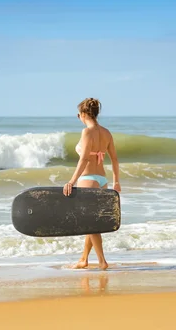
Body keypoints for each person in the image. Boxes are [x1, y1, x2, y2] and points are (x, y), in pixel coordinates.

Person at [63, 98, 121, 270]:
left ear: (83, 114)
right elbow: (115, 160)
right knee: (92, 222)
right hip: (102, 180)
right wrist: (116, 181)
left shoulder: (87, 132)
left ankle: (102, 261)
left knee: (90, 222)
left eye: (78, 114)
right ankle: (84, 259)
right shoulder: (107, 133)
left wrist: (71, 181)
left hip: (88, 179)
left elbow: (84, 158)